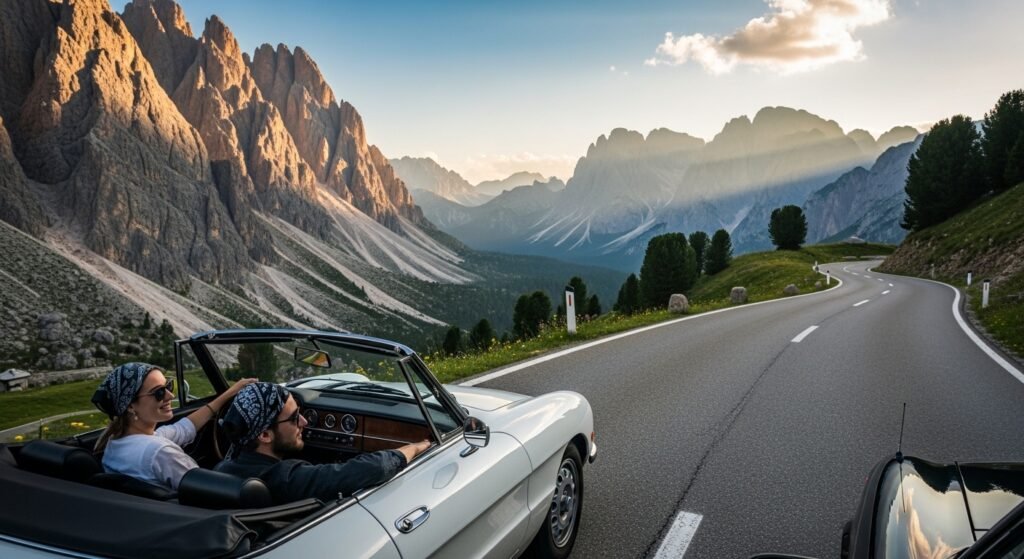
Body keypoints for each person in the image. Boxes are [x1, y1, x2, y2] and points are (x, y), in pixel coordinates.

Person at [215, 382, 431, 504]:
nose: (304, 422)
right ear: (264, 435)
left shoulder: (221, 470)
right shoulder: (286, 480)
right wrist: (415, 446)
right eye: (294, 417)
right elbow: (373, 468)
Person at [91, 362, 256, 490]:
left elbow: (184, 428)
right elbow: (210, 490)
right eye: (159, 392)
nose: (170, 395)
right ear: (130, 406)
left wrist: (230, 393)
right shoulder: (161, 453)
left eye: (168, 386)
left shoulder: (114, 442)